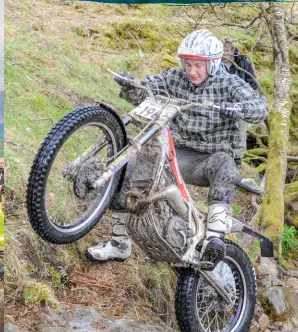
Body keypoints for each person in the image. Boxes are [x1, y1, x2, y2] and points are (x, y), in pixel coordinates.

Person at [86, 29, 268, 268]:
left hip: (211, 159)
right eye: (188, 64)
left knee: (224, 163)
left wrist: (237, 108)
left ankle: (214, 237)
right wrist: (131, 84)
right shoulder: (176, 78)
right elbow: (147, 91)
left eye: (198, 65)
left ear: (212, 64)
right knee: (128, 166)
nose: (192, 71)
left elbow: (259, 107)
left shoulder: (229, 83)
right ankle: (119, 243)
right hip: (176, 155)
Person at [221, 38, 260, 159]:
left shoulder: (243, 62)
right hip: (222, 104)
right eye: (222, 50)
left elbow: (253, 82)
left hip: (239, 105)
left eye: (227, 50)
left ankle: (238, 160)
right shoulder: (215, 62)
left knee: (240, 132)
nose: (224, 53)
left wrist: (244, 95)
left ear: (232, 50)